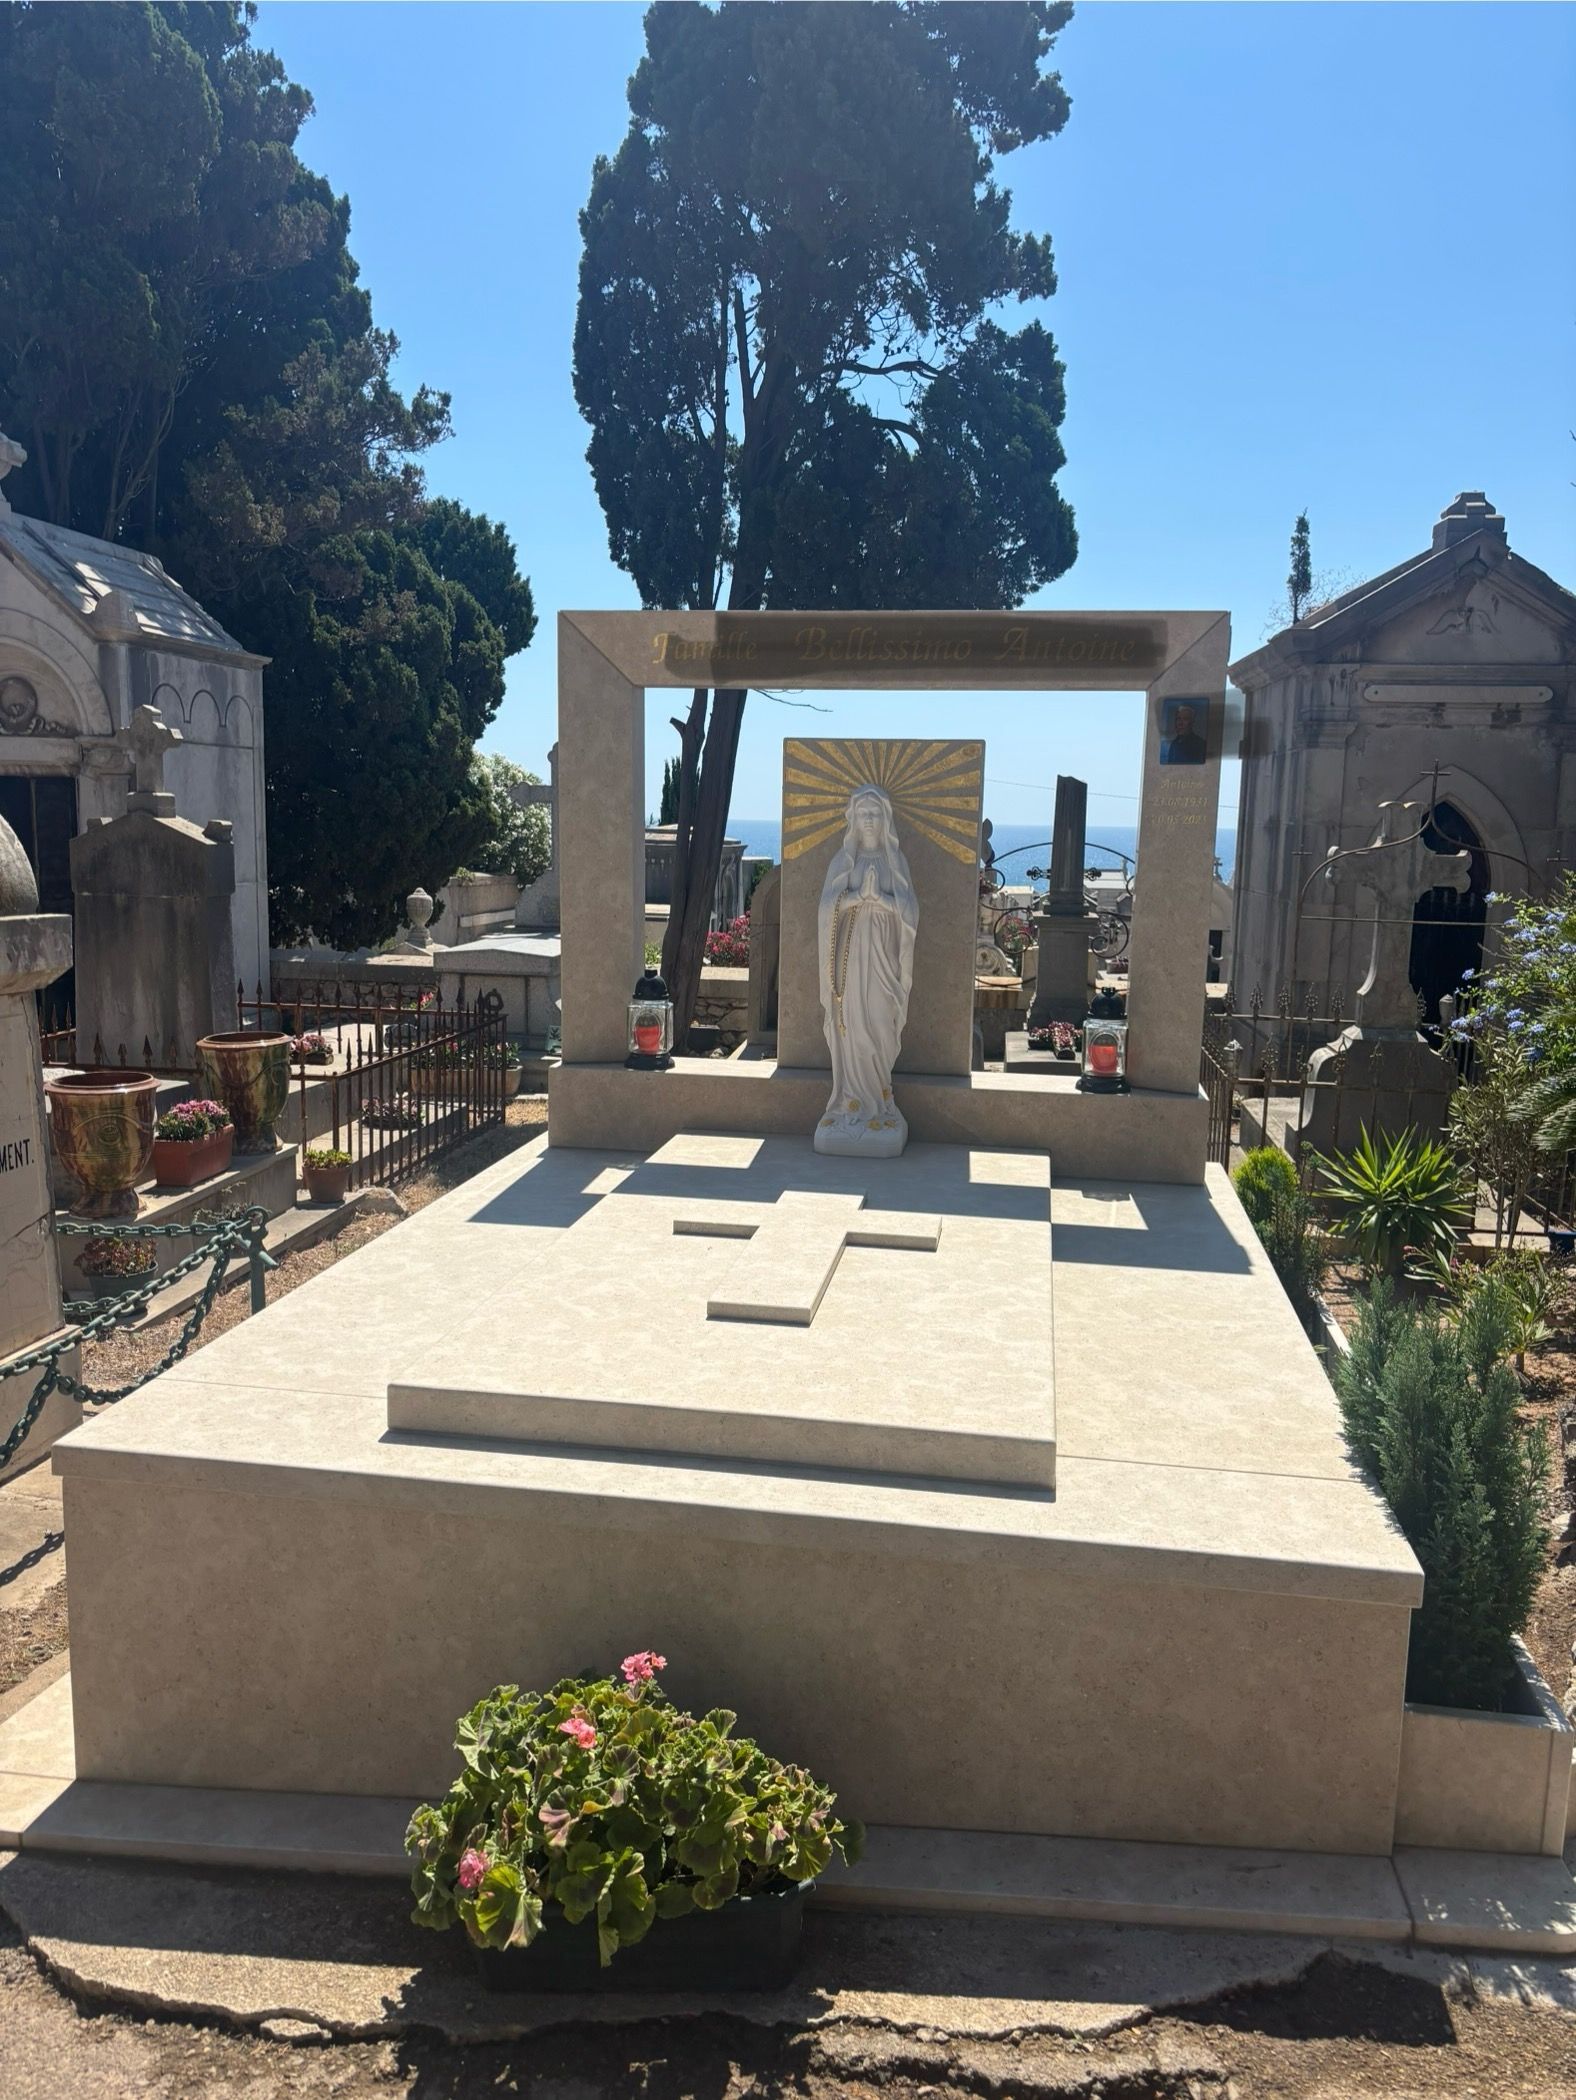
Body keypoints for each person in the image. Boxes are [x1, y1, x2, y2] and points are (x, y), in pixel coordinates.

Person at [815, 786, 919, 1156]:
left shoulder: (895, 861)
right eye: (863, 814)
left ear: (885, 818)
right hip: (851, 958)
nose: (869, 820)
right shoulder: (844, 861)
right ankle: (851, 1101)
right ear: (854, 820)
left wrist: (886, 902)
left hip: (884, 960)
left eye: (875, 813)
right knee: (853, 1024)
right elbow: (826, 907)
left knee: (879, 1021)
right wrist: (857, 898)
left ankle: (879, 1100)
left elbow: (911, 912)